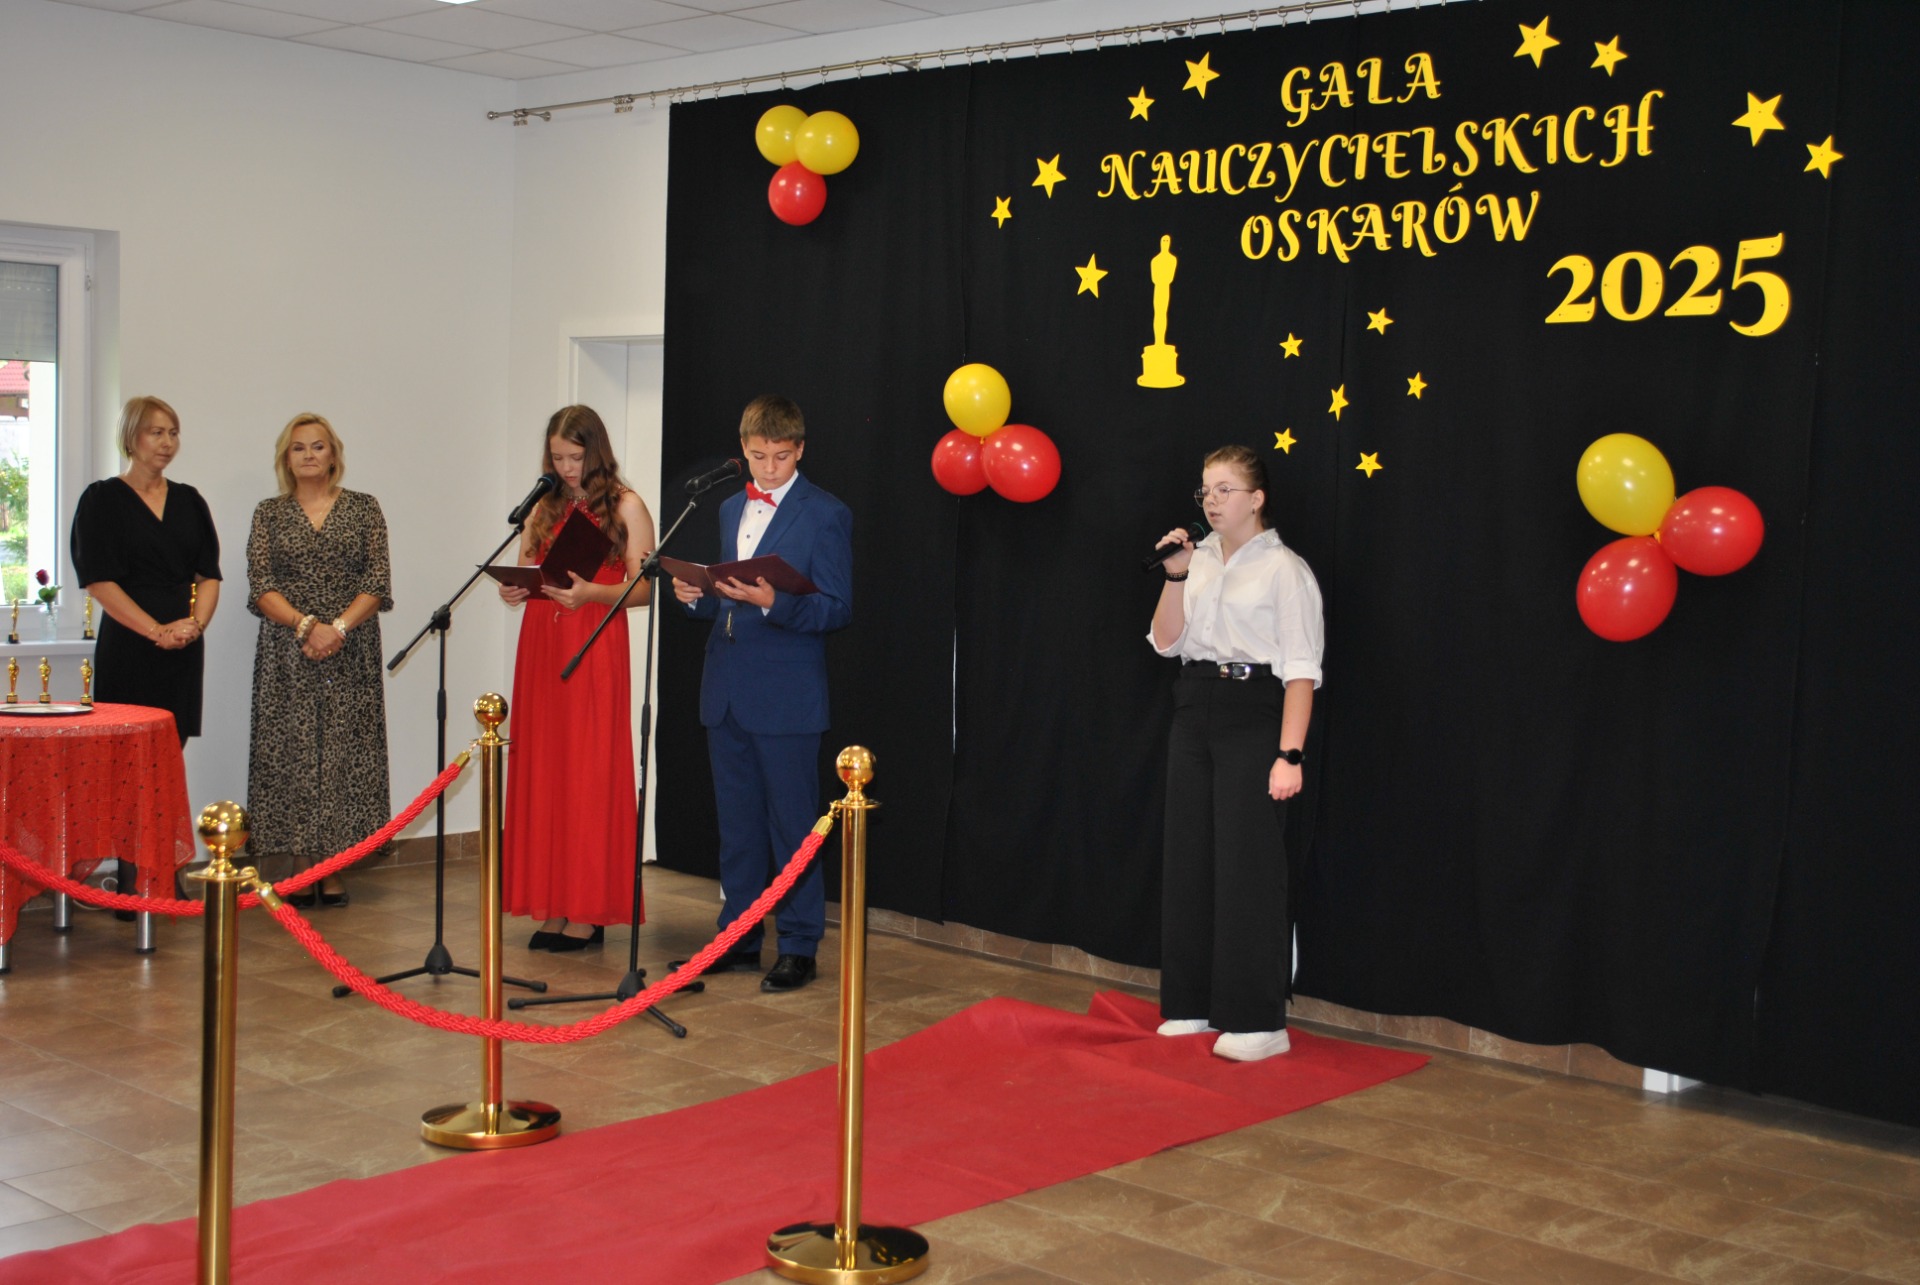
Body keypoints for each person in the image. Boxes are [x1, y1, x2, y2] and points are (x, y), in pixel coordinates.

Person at [671, 394, 852, 993]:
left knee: (793, 825)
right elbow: (729, 597)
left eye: (780, 457)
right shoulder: (729, 508)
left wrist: (777, 603)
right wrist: (696, 597)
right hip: (725, 689)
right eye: (757, 457)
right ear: (743, 449)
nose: (768, 468)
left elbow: (837, 607)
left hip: (786, 694)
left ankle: (799, 944)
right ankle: (739, 937)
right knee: (738, 825)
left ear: (800, 450)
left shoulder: (826, 513)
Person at [1148, 444, 1323, 1062]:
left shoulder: (1285, 570)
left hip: (1254, 711)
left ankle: (1258, 1020)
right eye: (1206, 491)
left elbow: (1301, 671)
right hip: (1194, 704)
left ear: (1257, 498)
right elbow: (1165, 642)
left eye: (1226, 490)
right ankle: (1192, 1003)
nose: (1212, 501)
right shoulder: (1196, 561)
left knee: (1247, 865)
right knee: (1190, 857)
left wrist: (1290, 755)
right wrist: (1175, 575)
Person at [498, 405, 656, 951]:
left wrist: (592, 593)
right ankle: (553, 904)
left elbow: (645, 587)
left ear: (597, 451)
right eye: (557, 457)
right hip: (541, 645)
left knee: (587, 772)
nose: (566, 468)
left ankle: (588, 910)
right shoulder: (543, 505)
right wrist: (514, 588)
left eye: (574, 457)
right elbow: (526, 567)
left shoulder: (626, 505)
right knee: (546, 770)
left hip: (593, 640)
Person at [70, 396, 222, 910]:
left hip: (182, 647)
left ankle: (162, 872)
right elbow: (99, 581)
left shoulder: (190, 500)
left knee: (167, 763)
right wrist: (156, 630)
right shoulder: (102, 499)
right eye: (156, 432)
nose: (167, 442)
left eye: (173, 432)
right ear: (131, 437)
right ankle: (133, 877)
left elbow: (209, 575)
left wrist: (193, 626)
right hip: (131, 646)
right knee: (128, 768)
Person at [244, 414, 392, 908]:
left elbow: (377, 581)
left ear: (334, 455)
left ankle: (332, 869)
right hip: (287, 652)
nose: (308, 455)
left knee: (343, 759)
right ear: (286, 459)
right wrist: (308, 626)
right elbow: (261, 585)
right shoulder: (268, 514)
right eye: (298, 448)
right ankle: (300, 869)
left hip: (351, 652)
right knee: (293, 759)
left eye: (318, 446)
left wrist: (338, 629)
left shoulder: (364, 508)